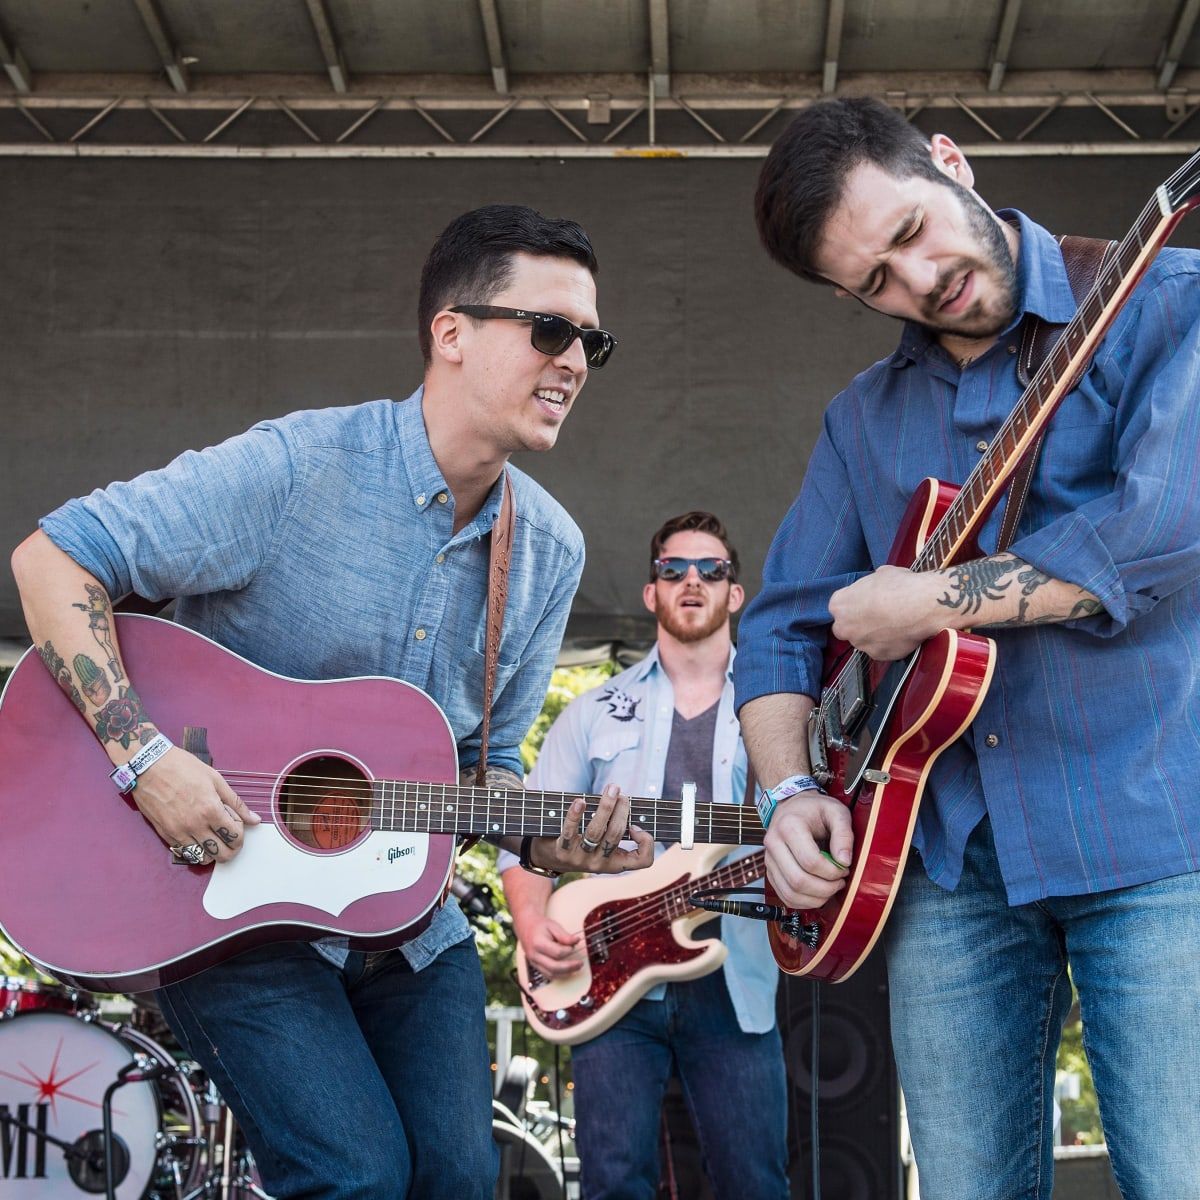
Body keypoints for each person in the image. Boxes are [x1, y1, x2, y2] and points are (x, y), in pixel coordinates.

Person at [10, 204, 654, 1200]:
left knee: (456, 1179)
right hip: (211, 900)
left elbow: (486, 768)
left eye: (592, 342)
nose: (574, 360)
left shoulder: (548, 552)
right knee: (353, 1175)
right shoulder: (296, 468)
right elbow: (53, 558)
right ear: (452, 332)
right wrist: (145, 758)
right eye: (549, 330)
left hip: (402, 920)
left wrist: (552, 836)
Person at [734, 98, 1200, 1200]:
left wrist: (934, 602)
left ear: (950, 161)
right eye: (874, 283)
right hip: (945, 864)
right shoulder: (863, 418)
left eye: (907, 234)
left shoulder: (1163, 302)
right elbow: (778, 629)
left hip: (1157, 834)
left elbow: (1151, 537)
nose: (916, 282)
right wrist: (789, 787)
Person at [501, 511, 789, 1200]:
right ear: (651, 593)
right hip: (606, 976)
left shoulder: (779, 708)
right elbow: (519, 835)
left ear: (735, 592)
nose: (692, 581)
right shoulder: (594, 711)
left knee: (755, 1184)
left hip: (736, 974)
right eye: (673, 570)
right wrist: (532, 924)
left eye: (711, 569)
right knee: (611, 1184)